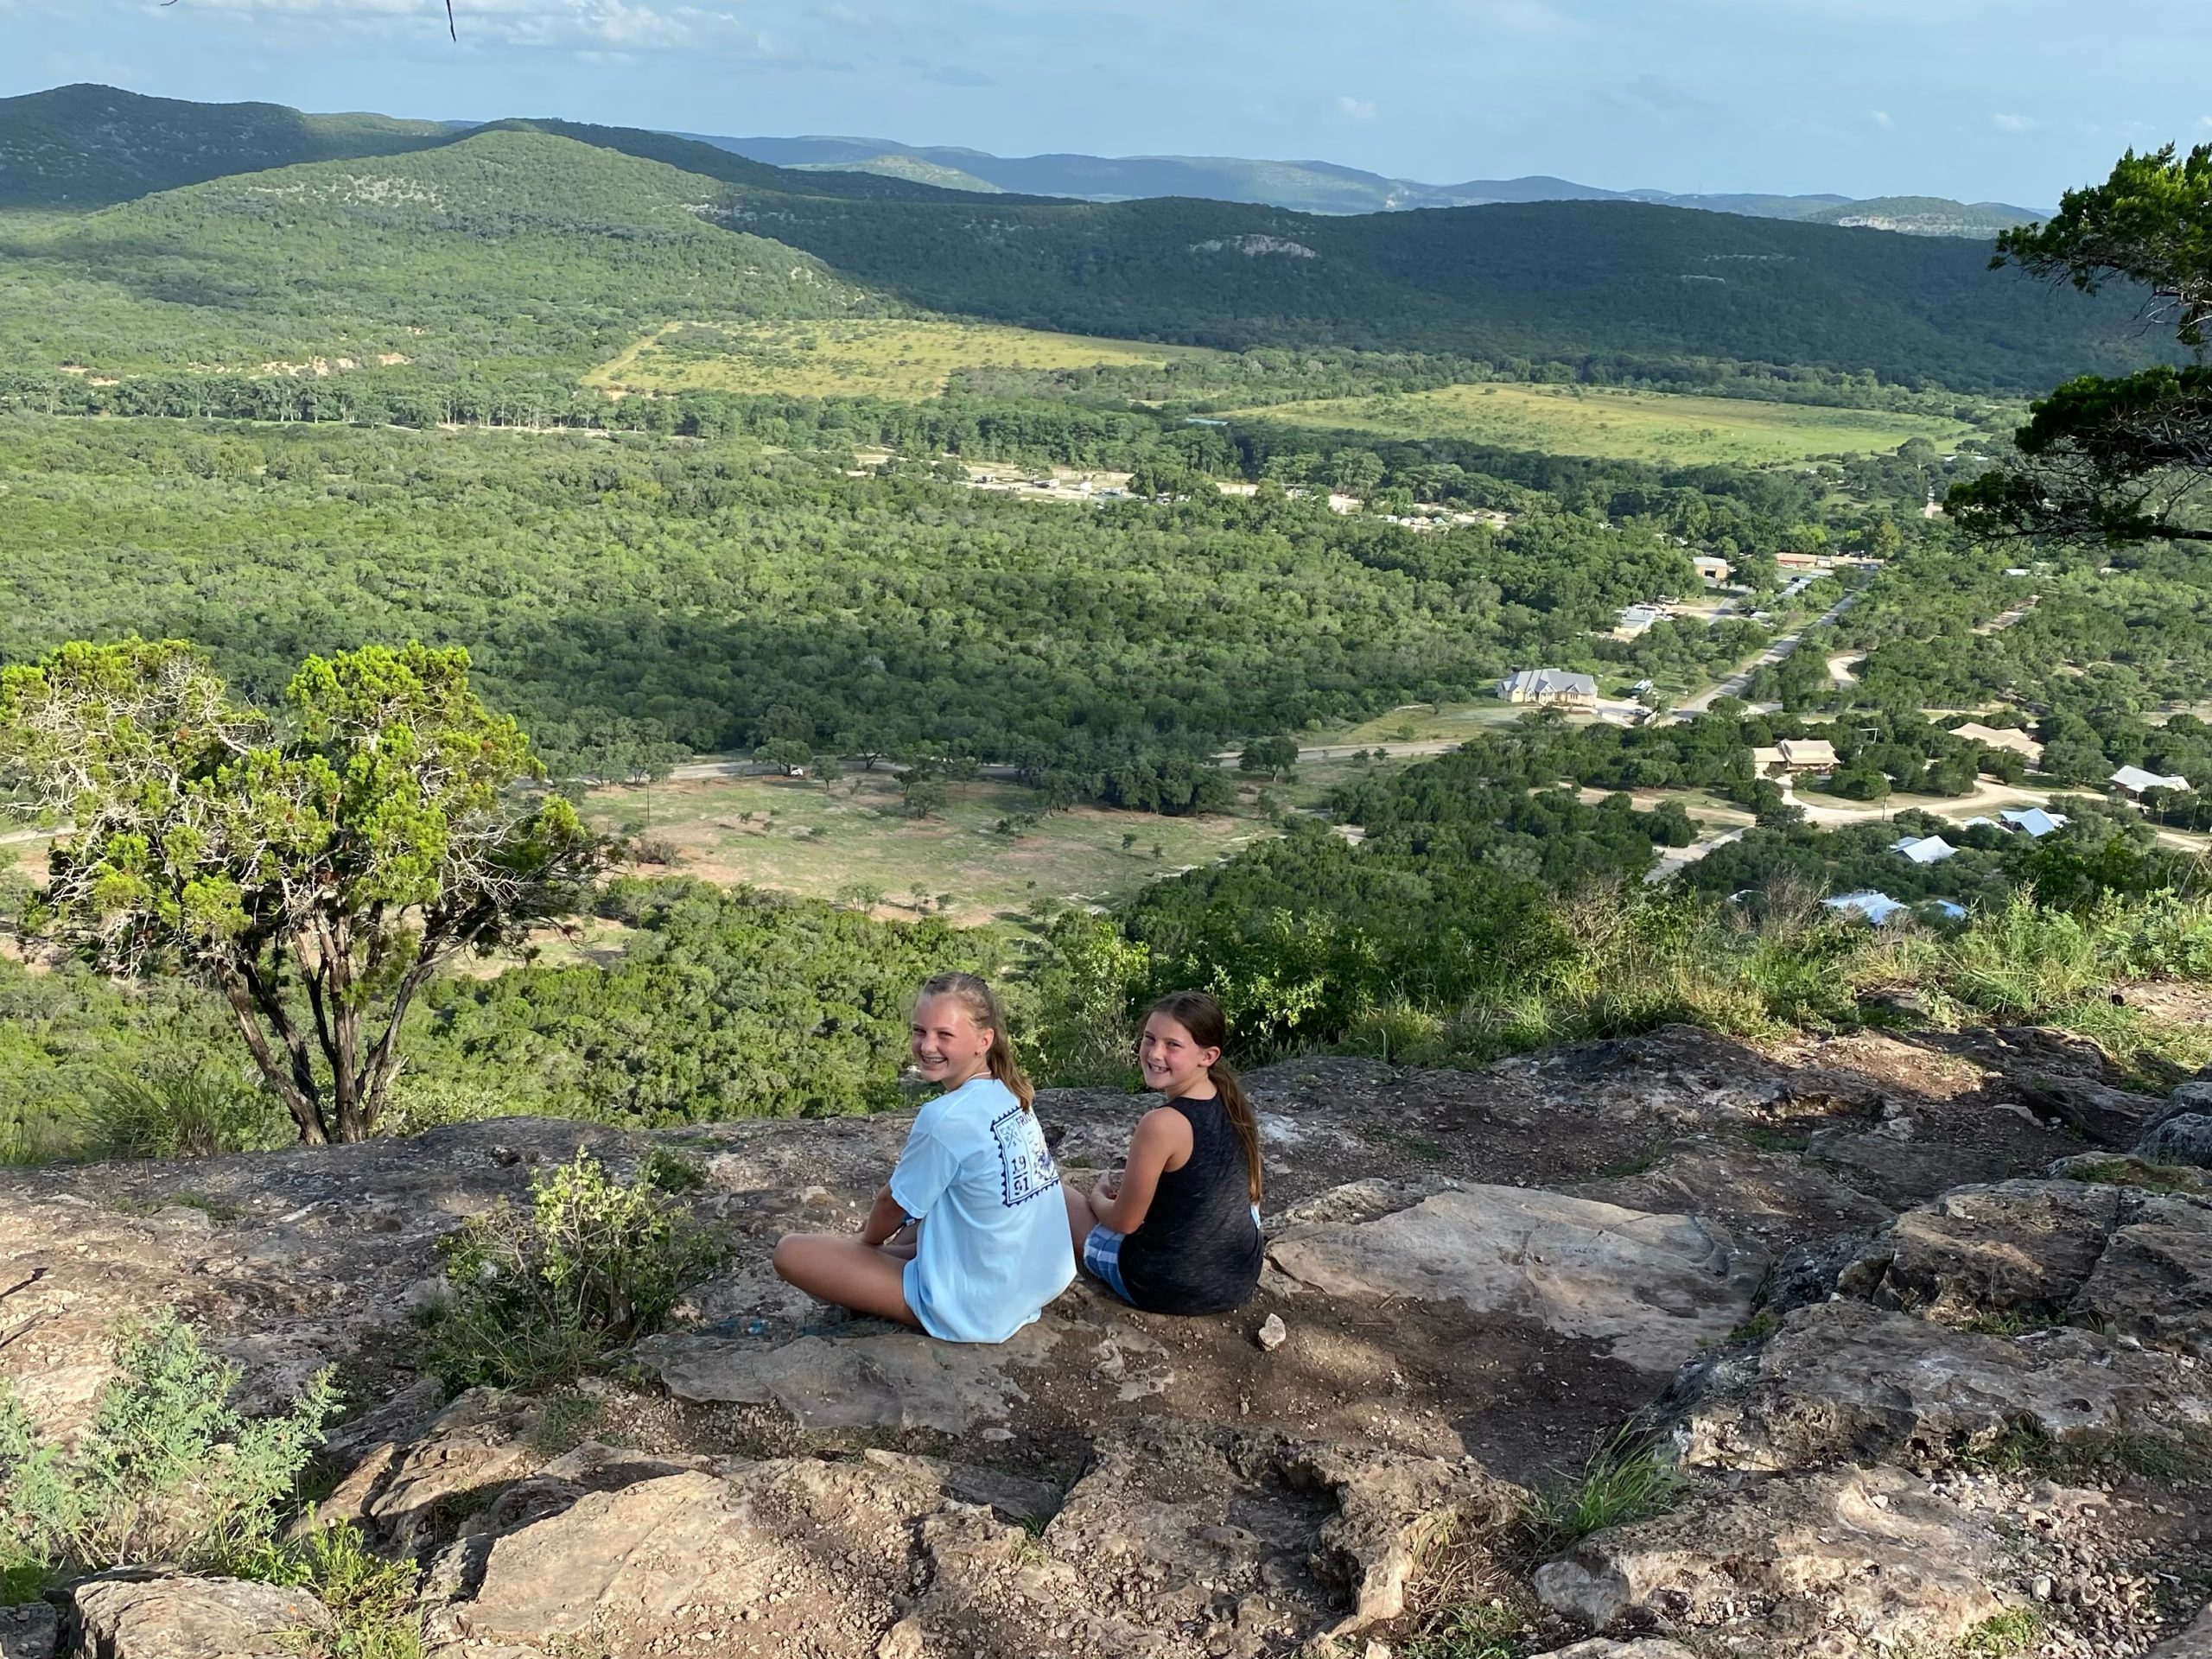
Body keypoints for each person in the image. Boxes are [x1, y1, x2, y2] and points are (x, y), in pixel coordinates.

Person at [772, 973, 1074, 1343]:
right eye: (920, 1031)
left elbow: (892, 1205)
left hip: (977, 1307)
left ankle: (895, 1285)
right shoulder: (1010, 1091)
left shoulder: (946, 1117)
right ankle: (888, 1264)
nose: (927, 1045)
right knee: (929, 1214)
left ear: (984, 1040)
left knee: (791, 1252)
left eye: (944, 1035)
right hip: (1033, 1281)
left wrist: (865, 1245)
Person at [1065, 990, 1264, 1316]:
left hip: (1167, 1286)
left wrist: (1099, 1197)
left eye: (1173, 1045)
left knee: (1055, 1194)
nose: (1155, 1053)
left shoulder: (1161, 1124)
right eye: (1149, 1038)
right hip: (1237, 1278)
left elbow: (1124, 1222)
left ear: (1208, 1055)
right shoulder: (1230, 1101)